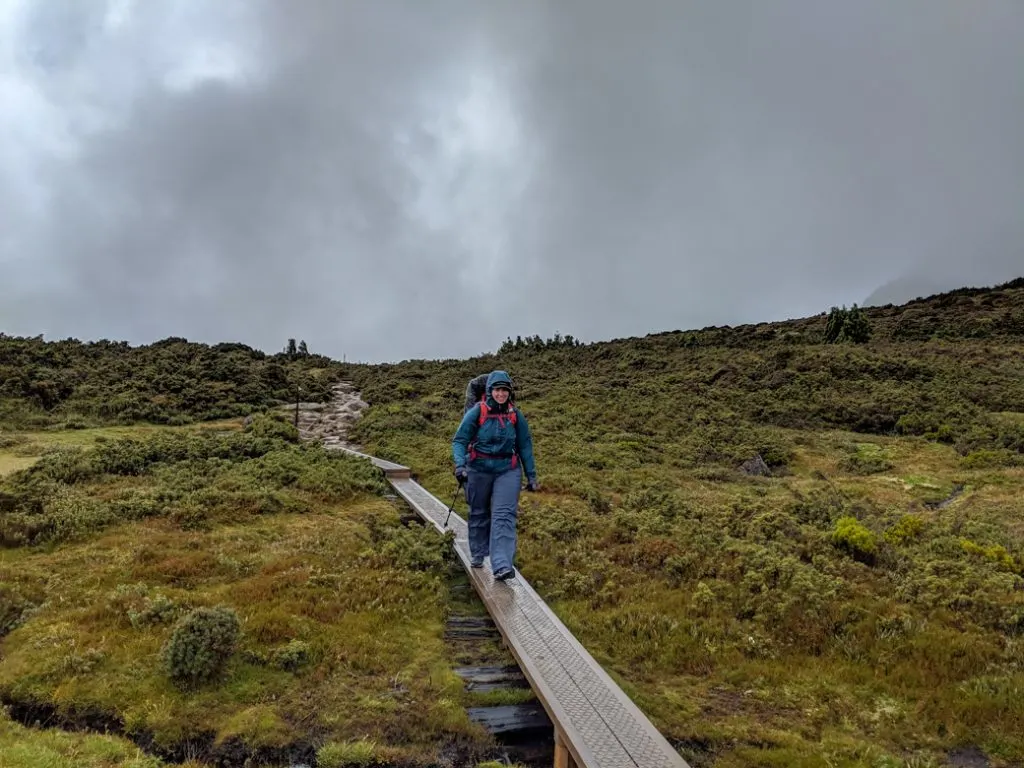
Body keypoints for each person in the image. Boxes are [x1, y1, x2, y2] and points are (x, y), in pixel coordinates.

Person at [452, 370, 538, 581]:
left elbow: (525, 445)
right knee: (479, 512)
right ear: (490, 391)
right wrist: (460, 466)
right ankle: (479, 553)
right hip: (478, 468)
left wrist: (532, 476)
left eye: (505, 390)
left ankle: (501, 565)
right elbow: (460, 440)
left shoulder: (515, 415)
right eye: (498, 390)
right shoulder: (477, 411)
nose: (501, 394)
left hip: (507, 469)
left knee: (504, 515)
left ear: (509, 393)